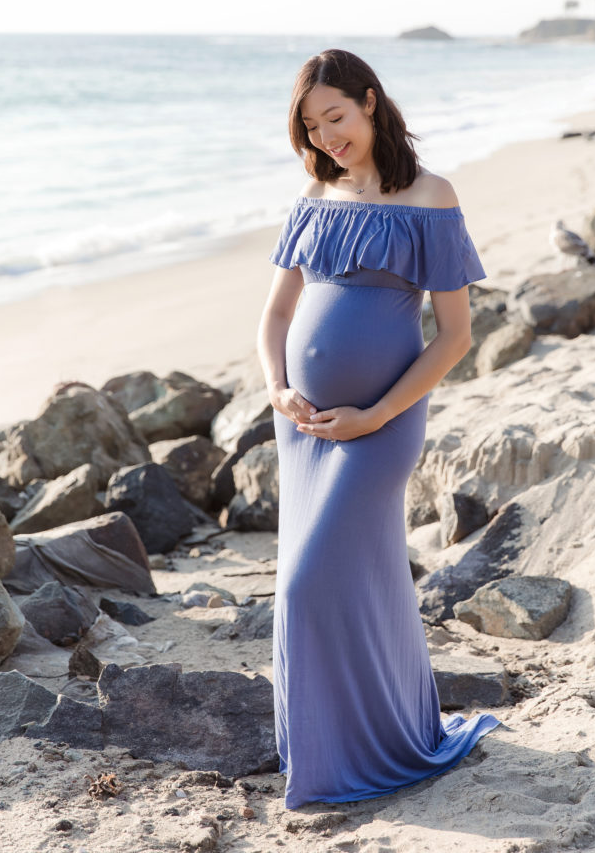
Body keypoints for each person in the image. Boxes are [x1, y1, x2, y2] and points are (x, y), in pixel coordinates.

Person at [257, 49, 501, 811]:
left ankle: (372, 747)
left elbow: (454, 336)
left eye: (336, 116)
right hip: (302, 428)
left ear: (369, 102)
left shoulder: (430, 196)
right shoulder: (315, 193)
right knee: (351, 582)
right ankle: (345, 743)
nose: (327, 135)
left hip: (379, 425)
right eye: (311, 124)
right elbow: (273, 315)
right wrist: (276, 389)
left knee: (309, 584)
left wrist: (375, 413)